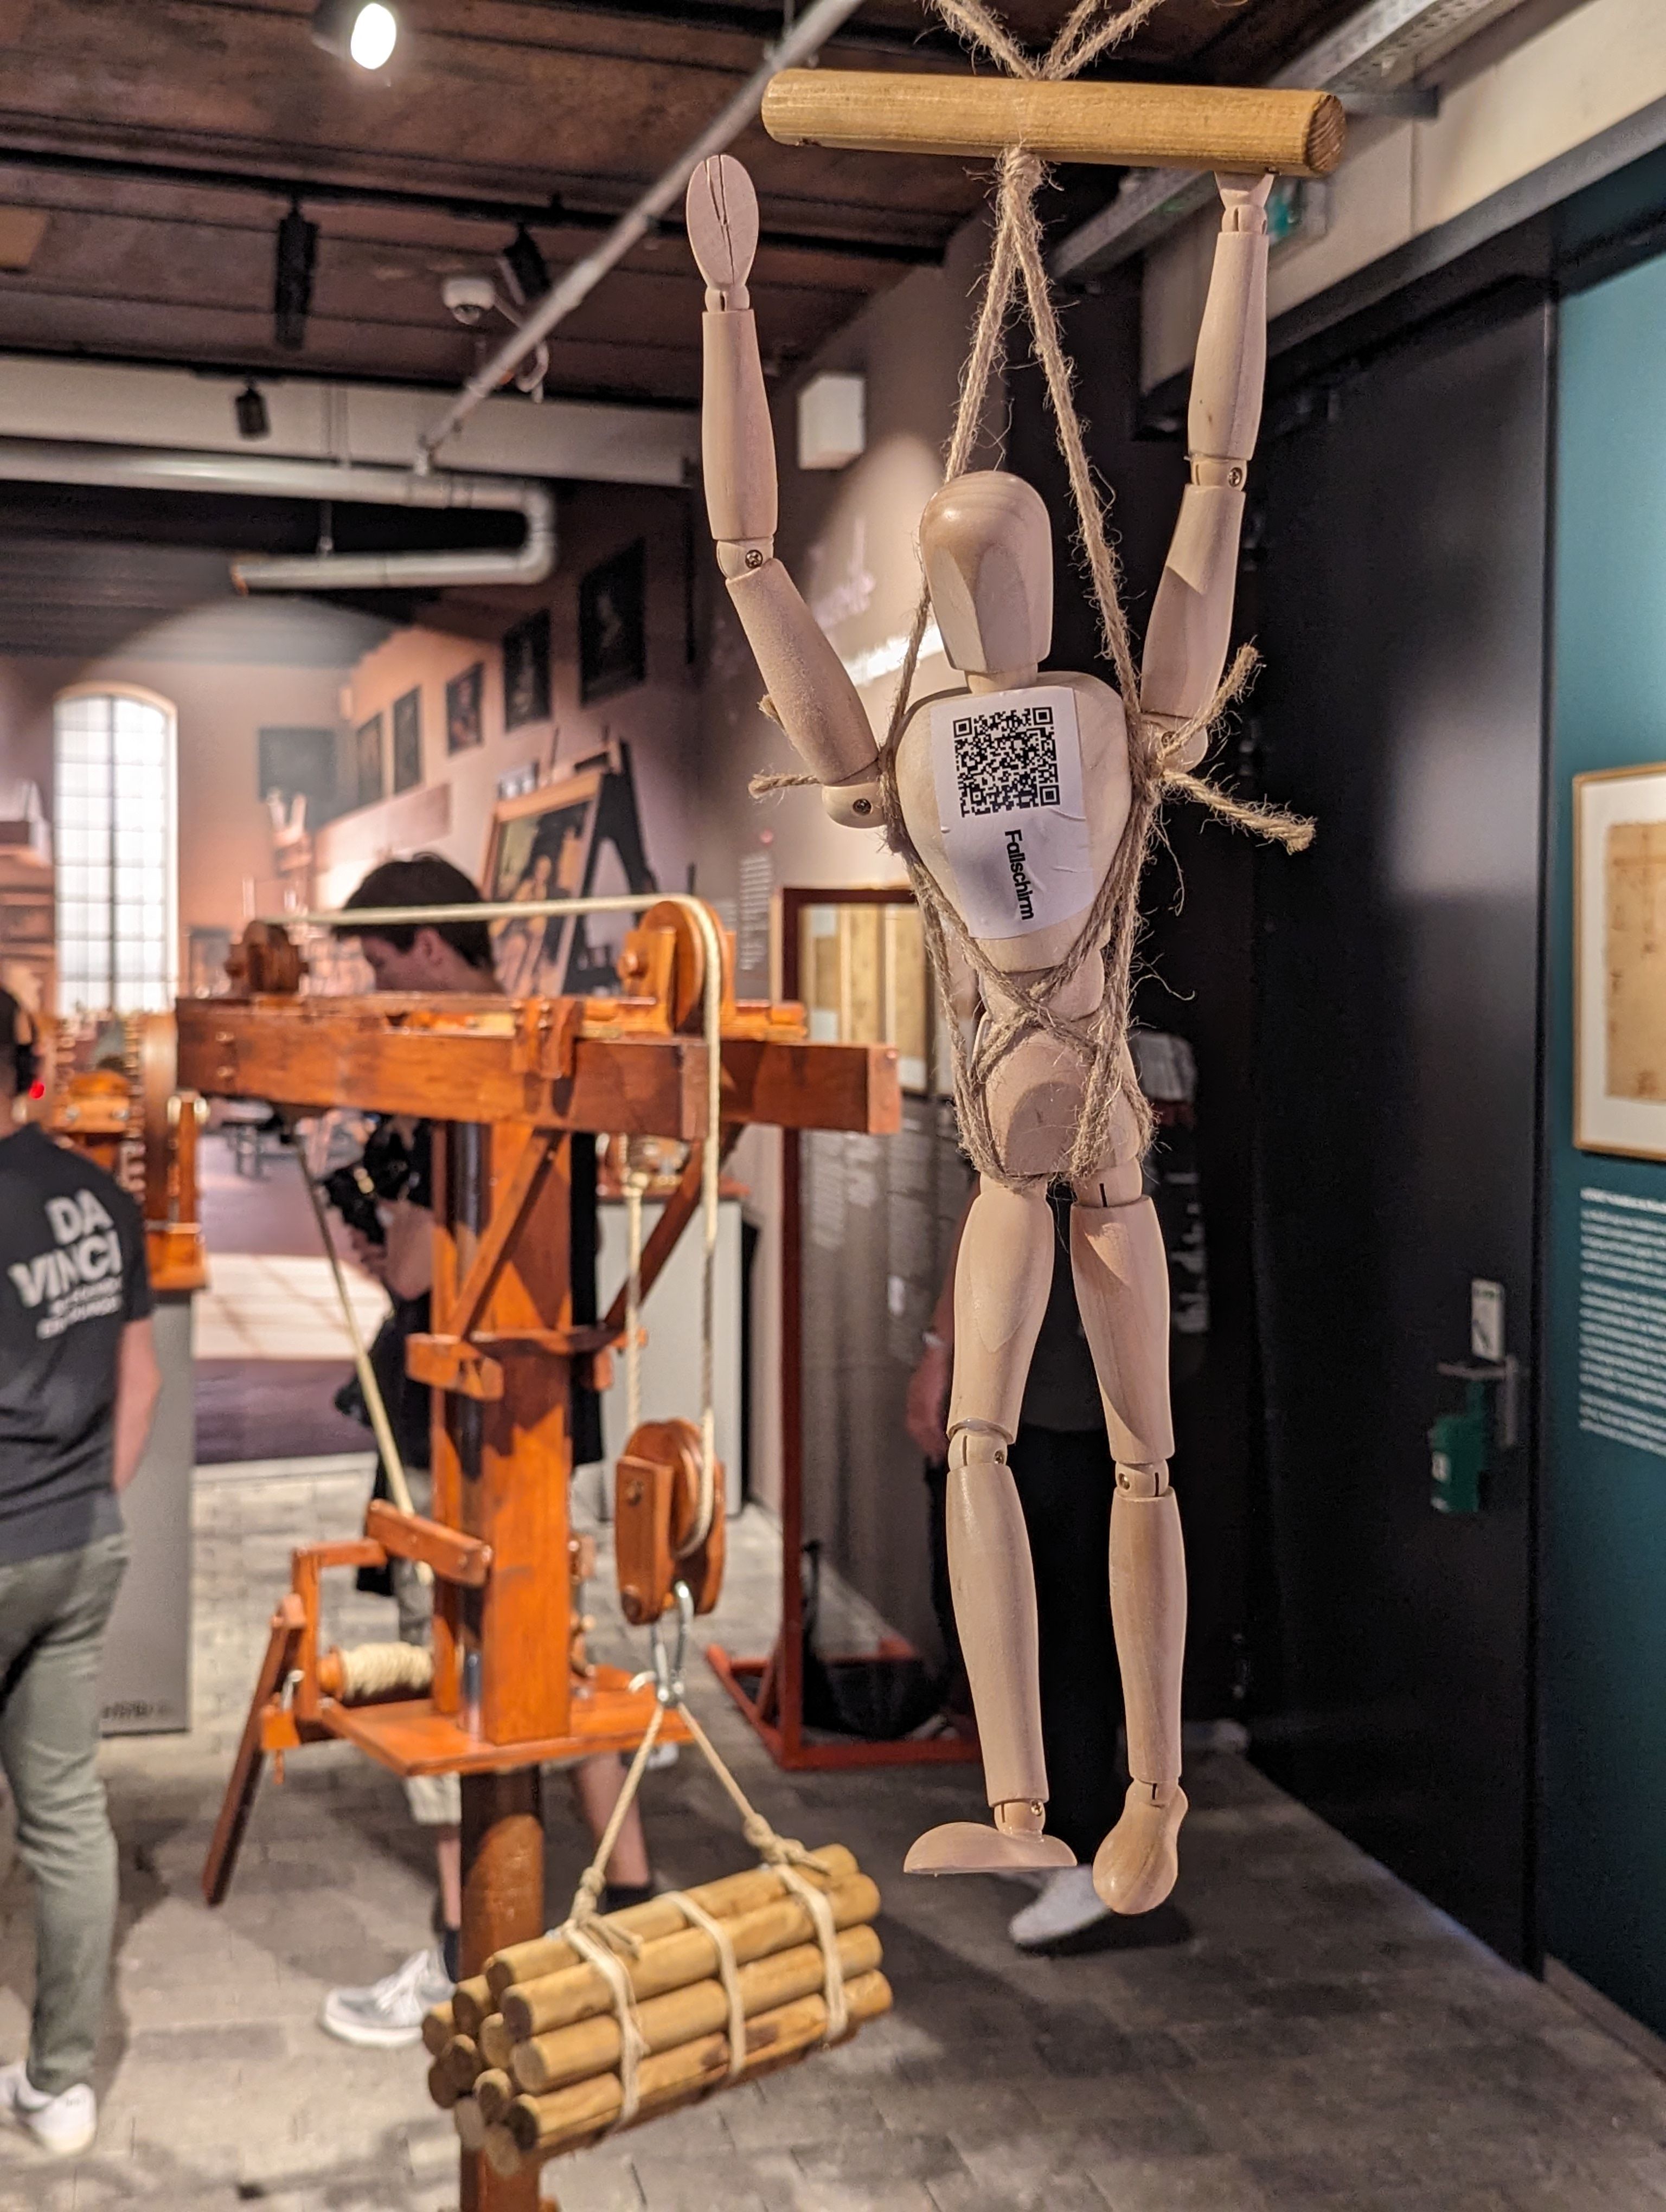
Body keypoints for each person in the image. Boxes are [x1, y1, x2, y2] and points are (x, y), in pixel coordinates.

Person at [317, 854, 656, 2048]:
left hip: (455, 1416)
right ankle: (630, 1900)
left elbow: (413, 1269)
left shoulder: (445, 1065)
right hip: (539, 1401)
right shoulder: (544, 1040)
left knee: (450, 1657)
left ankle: (465, 1951)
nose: (371, 982)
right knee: (555, 1639)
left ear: (420, 947)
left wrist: (364, 1212)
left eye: (375, 959)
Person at [0, 988, 162, 2153]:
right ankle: (62, 2084)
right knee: (65, 1816)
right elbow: (139, 1383)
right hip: (81, 1538)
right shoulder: (103, 1199)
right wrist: (90, 1500)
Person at [908, 1183, 1125, 1950]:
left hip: (1070, 1398)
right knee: (1023, 1626)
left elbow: (994, 1206)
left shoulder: (1071, 1084)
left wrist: (943, 1353)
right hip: (1034, 1390)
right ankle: (1055, 1834)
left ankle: (1091, 1853)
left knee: (1069, 1629)